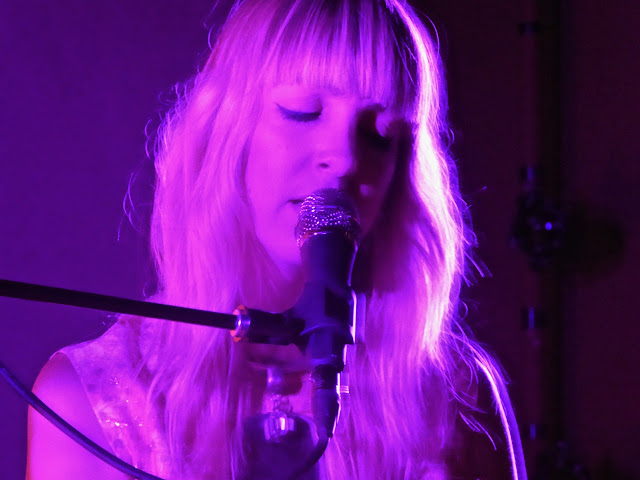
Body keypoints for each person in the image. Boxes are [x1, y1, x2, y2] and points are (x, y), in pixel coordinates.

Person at [27, 1, 526, 479]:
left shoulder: (452, 394)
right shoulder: (90, 402)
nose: (345, 158)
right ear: (227, 130)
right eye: (303, 111)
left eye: (380, 134)